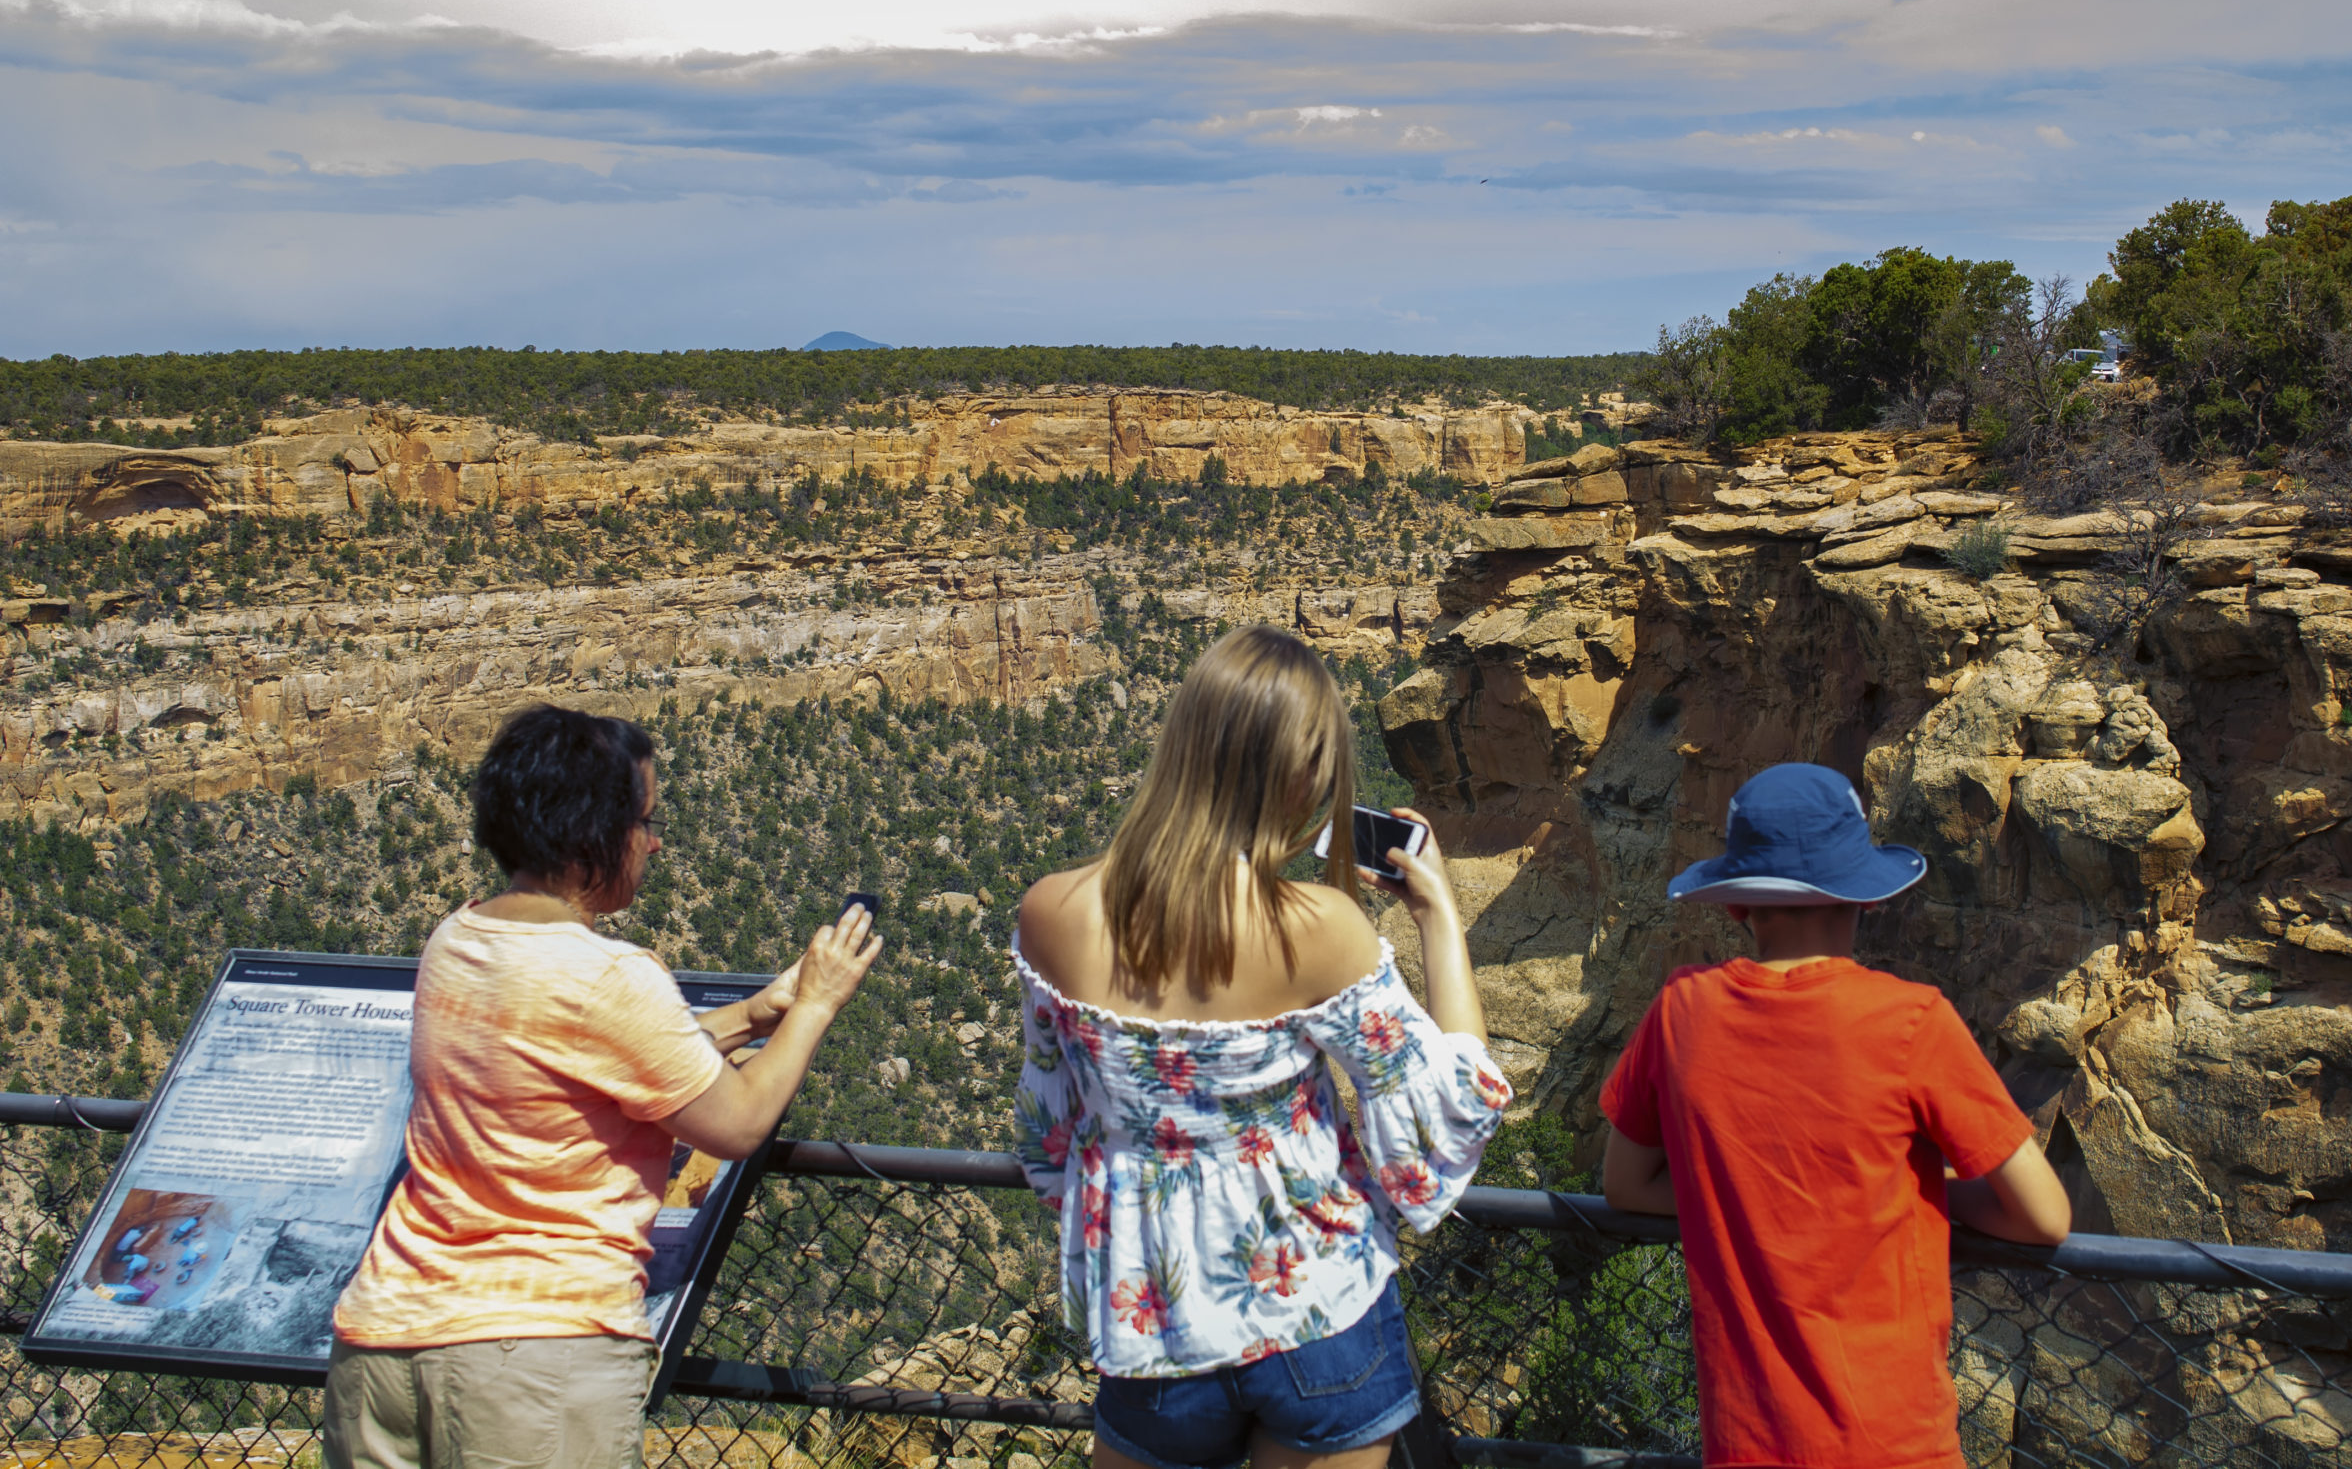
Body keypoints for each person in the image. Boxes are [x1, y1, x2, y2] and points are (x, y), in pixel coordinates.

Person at [324, 704, 881, 1469]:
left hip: (383, 1338)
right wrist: (816, 1005)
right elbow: (739, 1121)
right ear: (593, 835)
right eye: (646, 821)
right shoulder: (612, 977)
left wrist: (752, 1016)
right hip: (531, 1359)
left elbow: (564, 1053)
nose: (654, 842)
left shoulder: (457, 939)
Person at [1013, 625, 1513, 1469]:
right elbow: (1445, 1102)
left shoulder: (1051, 913)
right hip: (1321, 1313)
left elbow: (1048, 1126)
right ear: (1306, 774)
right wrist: (1439, 915)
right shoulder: (1318, 929)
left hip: (1154, 1316)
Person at [1599, 762, 2071, 1469]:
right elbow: (2044, 1217)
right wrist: (1925, 1191)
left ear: (1737, 905)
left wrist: (1739, 1201)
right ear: (1866, 899)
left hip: (1745, 1441)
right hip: (1894, 1441)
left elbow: (1625, 1187)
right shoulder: (1913, 1020)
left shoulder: (1681, 1009)